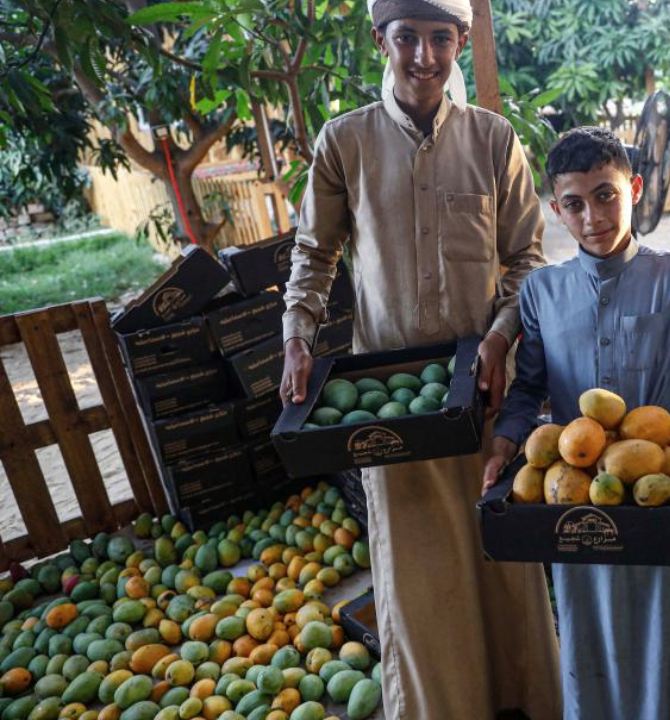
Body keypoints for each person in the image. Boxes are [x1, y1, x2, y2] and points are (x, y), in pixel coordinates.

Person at [279, 1, 561, 718]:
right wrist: (297, 336)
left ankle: (523, 700)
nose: (425, 56)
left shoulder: (493, 140)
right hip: (389, 400)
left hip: (484, 391)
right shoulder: (346, 142)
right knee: (417, 571)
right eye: (408, 38)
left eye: (441, 38)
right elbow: (315, 252)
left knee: (504, 558)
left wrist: (499, 337)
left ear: (461, 42)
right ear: (382, 40)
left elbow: (527, 259)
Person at [482, 127, 670, 720]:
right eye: (574, 204)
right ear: (556, 209)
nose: (593, 216)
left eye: (606, 195)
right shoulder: (541, 293)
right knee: (594, 632)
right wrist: (504, 445)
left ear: (636, 188)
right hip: (581, 496)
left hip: (668, 494)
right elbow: (527, 389)